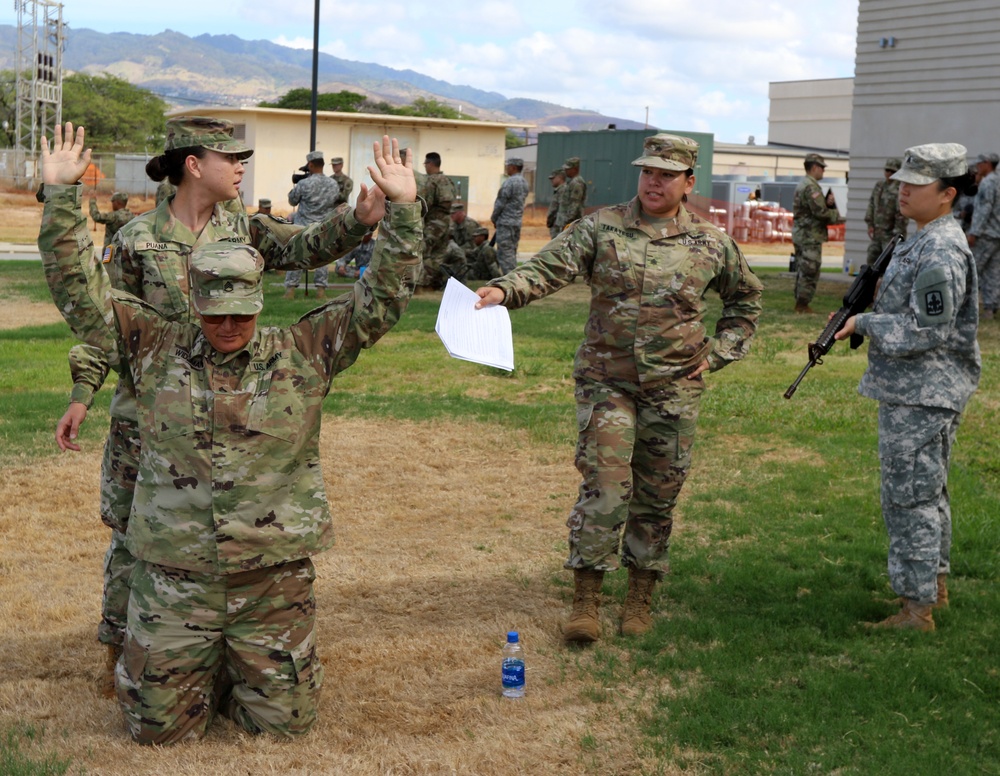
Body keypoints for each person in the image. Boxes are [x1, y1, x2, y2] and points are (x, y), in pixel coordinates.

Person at [40, 126, 420, 743]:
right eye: (214, 307)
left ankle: (221, 665)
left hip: (266, 573)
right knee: (155, 724)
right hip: (171, 511)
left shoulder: (297, 349)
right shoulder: (155, 338)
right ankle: (156, 652)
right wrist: (60, 197)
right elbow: (85, 297)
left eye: (241, 308)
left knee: (283, 727)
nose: (227, 322)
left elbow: (378, 298)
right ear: (195, 299)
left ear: (259, 298)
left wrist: (396, 212)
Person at [474, 133, 763, 642]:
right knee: (605, 490)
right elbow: (546, 269)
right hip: (608, 385)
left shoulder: (711, 243)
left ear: (689, 183)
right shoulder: (600, 229)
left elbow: (746, 303)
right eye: (648, 172)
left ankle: (639, 600)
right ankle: (586, 601)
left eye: (666, 174)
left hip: (674, 389)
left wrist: (718, 354)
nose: (654, 181)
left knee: (657, 496)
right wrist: (504, 289)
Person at [834, 143, 980, 632]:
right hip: (917, 390)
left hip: (923, 392)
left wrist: (865, 324)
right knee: (927, 492)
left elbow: (928, 329)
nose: (903, 191)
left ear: (946, 194)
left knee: (909, 498)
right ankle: (931, 588)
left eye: (916, 185)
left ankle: (916, 611)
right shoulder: (921, 237)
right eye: (902, 182)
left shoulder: (939, 247)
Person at [284, 150, 341, 299]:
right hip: (323, 225)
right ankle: (321, 291)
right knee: (322, 257)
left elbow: (292, 201)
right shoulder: (333, 184)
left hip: (302, 226)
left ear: (310, 164)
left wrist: (295, 187)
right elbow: (335, 201)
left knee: (296, 255)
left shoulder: (304, 183)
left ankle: (290, 291)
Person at [792, 152, 844, 313]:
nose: (823, 171)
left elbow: (814, 209)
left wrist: (828, 204)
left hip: (803, 235)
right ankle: (802, 303)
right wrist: (839, 215)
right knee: (810, 270)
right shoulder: (811, 186)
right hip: (810, 236)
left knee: (803, 268)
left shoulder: (804, 184)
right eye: (821, 167)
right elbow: (820, 213)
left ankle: (801, 302)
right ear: (814, 167)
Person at [968, 151, 1000, 320]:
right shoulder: (998, 180)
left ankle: (964, 307)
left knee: (972, 270)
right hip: (997, 234)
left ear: (987, 163)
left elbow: (983, 209)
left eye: (980, 164)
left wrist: (974, 232)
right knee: (993, 272)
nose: (978, 167)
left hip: (986, 234)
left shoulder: (987, 183)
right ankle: (991, 308)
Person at [418, 151, 456, 289]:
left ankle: (420, 284)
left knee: (424, 251)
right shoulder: (448, 181)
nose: (425, 167)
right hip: (446, 221)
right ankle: (434, 283)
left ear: (430, 164)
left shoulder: (430, 181)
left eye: (425, 164)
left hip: (433, 222)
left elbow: (425, 202)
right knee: (439, 254)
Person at [864, 157, 908, 266]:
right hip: (877, 233)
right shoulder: (879, 186)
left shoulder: (900, 189)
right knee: (871, 259)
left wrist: (896, 236)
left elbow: (902, 214)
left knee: (889, 264)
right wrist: (870, 224)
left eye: (892, 171)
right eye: (887, 170)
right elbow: (871, 204)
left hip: (890, 236)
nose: (889, 173)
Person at [491, 158, 530, 273]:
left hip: (505, 223)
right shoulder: (524, 182)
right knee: (512, 252)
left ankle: (510, 280)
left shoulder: (509, 182)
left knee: (504, 254)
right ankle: (514, 278)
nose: (506, 168)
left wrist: (494, 217)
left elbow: (500, 203)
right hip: (516, 222)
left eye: (508, 166)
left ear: (513, 167)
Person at [561, 156, 587, 226]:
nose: (565, 171)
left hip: (573, 223)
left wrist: (568, 221)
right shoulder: (572, 182)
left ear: (575, 169)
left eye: (568, 169)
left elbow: (575, 204)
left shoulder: (577, 183)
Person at [547, 169, 567, 238]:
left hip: (559, 224)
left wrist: (550, 219)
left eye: (553, 178)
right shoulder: (560, 190)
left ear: (560, 177)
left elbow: (556, 209)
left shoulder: (563, 190)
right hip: (556, 224)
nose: (551, 181)